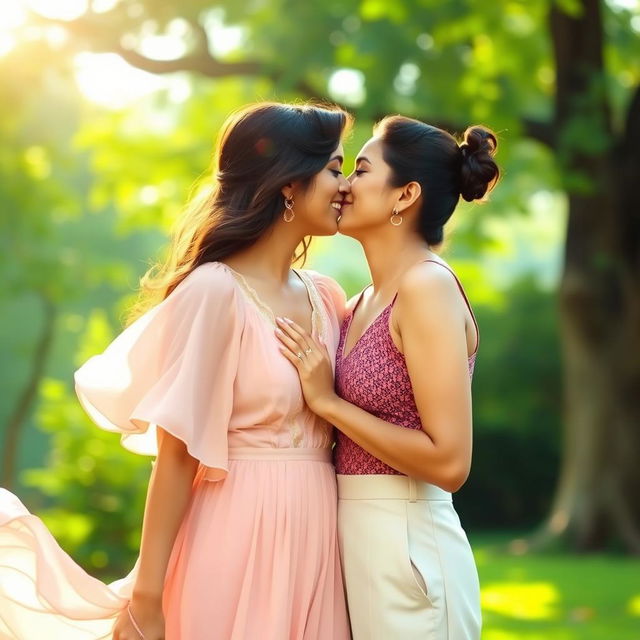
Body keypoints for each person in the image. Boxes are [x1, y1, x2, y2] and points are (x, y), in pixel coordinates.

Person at [0, 101, 353, 640]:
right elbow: (176, 454)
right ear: (289, 185)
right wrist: (147, 597)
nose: (346, 185)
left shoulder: (328, 298)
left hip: (319, 537)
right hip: (234, 534)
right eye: (334, 168)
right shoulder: (214, 292)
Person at [275, 115, 499, 640]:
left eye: (361, 169)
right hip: (355, 547)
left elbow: (449, 462)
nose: (344, 185)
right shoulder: (356, 305)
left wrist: (329, 404)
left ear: (405, 196)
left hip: (411, 548)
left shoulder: (427, 288)